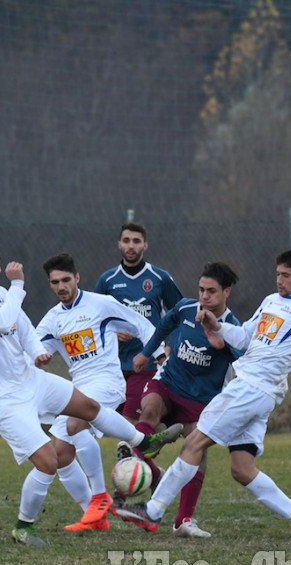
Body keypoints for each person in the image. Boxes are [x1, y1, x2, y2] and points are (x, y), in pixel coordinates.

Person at [115, 249, 291, 541]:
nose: (279, 280)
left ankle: (153, 511)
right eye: (277, 274)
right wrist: (218, 328)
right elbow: (246, 337)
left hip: (251, 389)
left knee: (194, 443)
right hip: (258, 392)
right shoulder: (271, 301)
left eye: (286, 276)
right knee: (242, 469)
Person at [0, 240, 182, 546]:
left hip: (32, 380)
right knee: (49, 460)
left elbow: (25, 330)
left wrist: (37, 353)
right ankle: (24, 526)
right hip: (2, 399)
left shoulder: (0, 293)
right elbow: (2, 321)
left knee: (87, 407)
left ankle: (144, 443)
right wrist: (17, 285)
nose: (2, 270)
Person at [36, 253, 165, 532]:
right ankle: (94, 518)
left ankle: (99, 496)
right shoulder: (53, 319)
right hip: (79, 384)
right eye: (55, 282)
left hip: (106, 381)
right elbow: (30, 349)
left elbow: (142, 325)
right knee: (60, 456)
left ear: (77, 278)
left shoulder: (101, 304)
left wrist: (159, 357)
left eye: (66, 280)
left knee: (74, 422)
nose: (61, 287)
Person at [117, 262, 241, 538]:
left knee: (196, 451)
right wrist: (147, 353)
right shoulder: (186, 308)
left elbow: (246, 362)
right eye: (201, 289)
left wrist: (226, 345)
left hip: (201, 400)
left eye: (211, 291)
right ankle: (125, 485)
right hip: (168, 383)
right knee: (147, 412)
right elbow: (163, 325)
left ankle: (183, 520)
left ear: (226, 292)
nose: (204, 296)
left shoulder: (233, 327)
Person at [94, 222, 182, 423]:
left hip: (147, 363)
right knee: (115, 423)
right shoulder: (108, 280)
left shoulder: (160, 278)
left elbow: (181, 316)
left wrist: (170, 346)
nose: (131, 246)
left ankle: (149, 435)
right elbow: (93, 321)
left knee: (130, 423)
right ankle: (156, 432)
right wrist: (113, 335)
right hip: (113, 364)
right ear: (119, 244)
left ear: (145, 245)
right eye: (126, 241)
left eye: (136, 241)